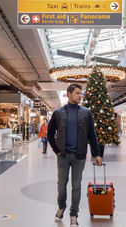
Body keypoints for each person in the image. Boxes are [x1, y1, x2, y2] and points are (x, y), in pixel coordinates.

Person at [47, 83, 102, 226]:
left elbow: (92, 135)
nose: (80, 95)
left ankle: (73, 214)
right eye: (77, 93)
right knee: (61, 185)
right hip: (63, 155)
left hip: (79, 156)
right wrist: (57, 150)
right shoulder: (58, 112)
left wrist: (96, 154)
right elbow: (50, 133)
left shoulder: (86, 112)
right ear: (69, 94)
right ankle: (61, 207)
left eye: (80, 93)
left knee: (76, 186)